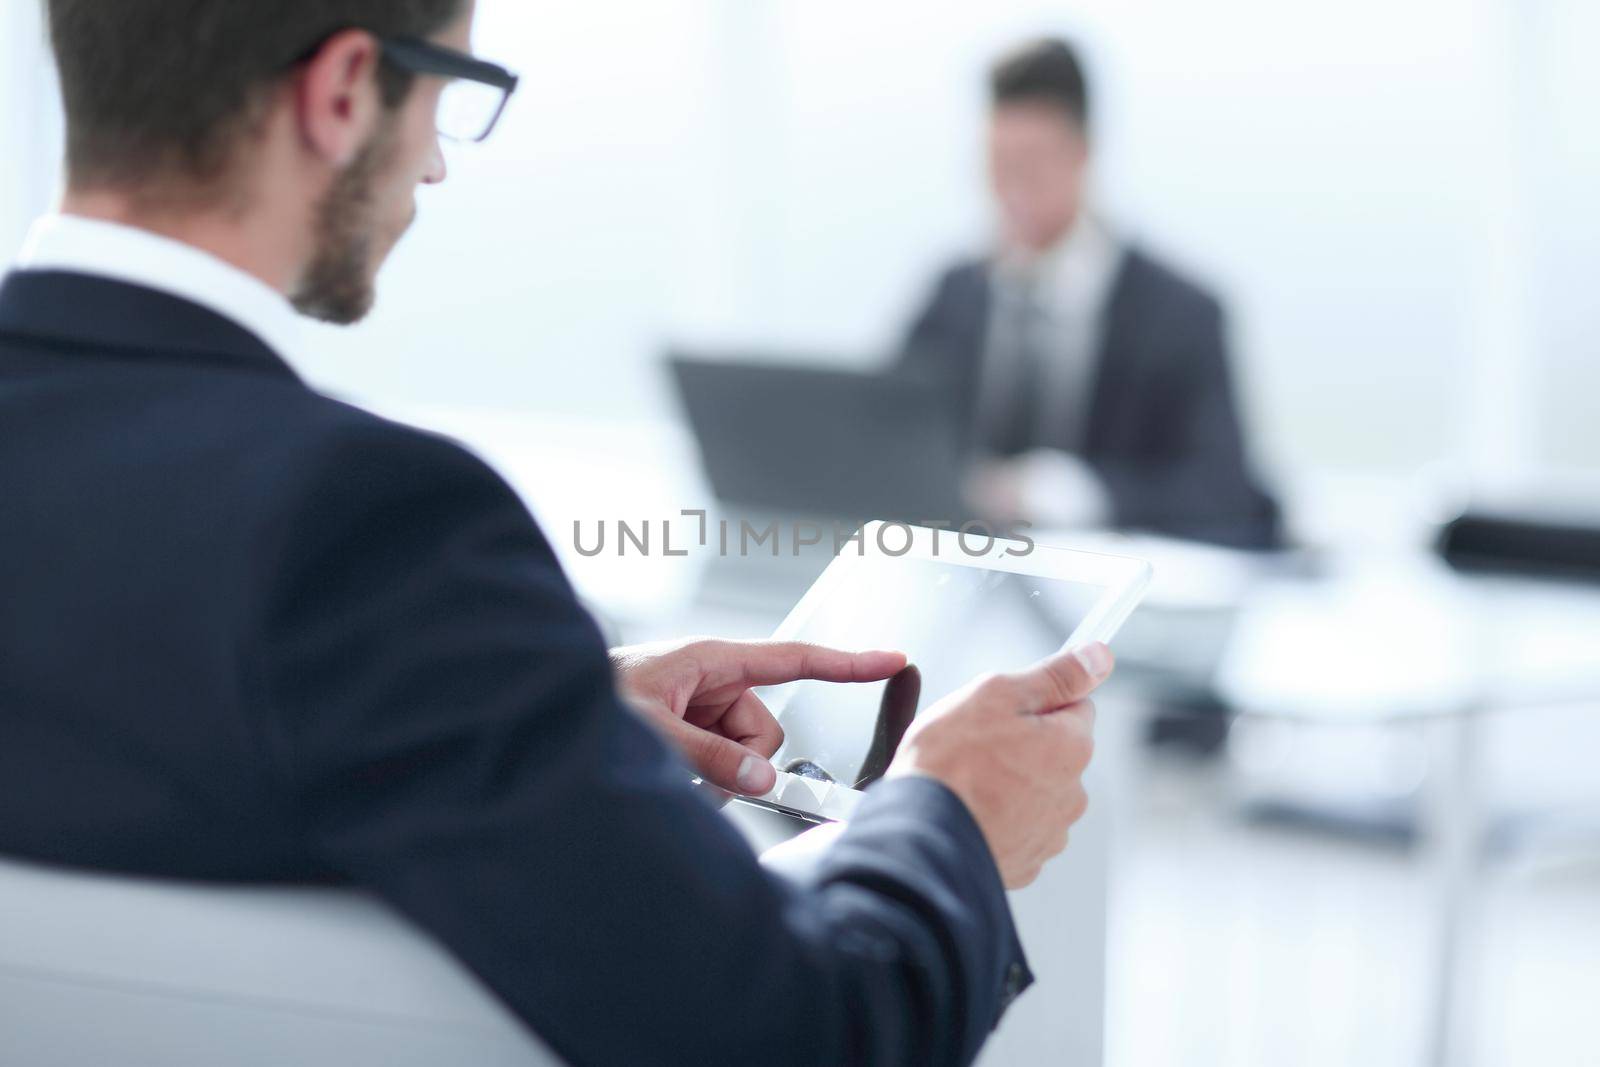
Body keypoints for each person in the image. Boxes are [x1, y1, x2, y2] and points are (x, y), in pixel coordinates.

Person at [0, 3, 1112, 1064]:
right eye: (448, 91)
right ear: (344, 90)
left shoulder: (347, 586)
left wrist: (536, 702)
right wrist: (949, 810)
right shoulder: (371, 524)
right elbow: (800, 1033)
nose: (434, 163)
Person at [901, 37, 1282, 550]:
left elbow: (1222, 491)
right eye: (999, 163)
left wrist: (1073, 493)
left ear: (1083, 153)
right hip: (971, 574)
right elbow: (891, 435)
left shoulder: (1181, 313)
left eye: (1033, 163)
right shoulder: (954, 296)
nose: (1013, 189)